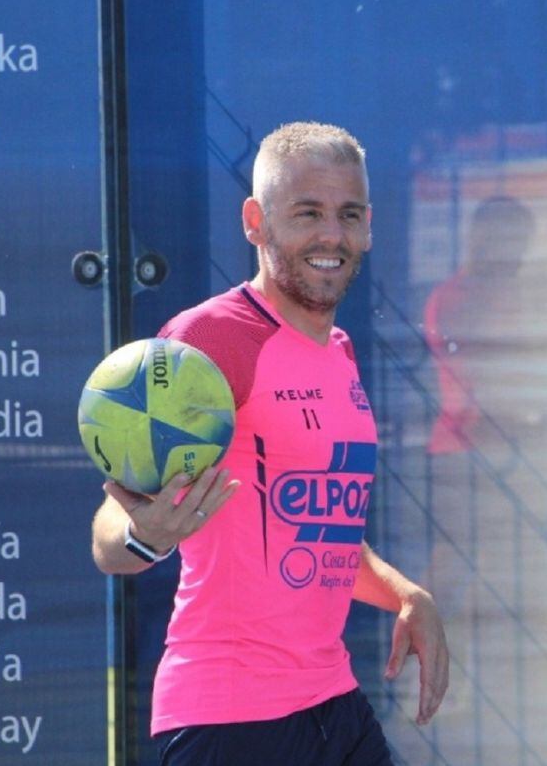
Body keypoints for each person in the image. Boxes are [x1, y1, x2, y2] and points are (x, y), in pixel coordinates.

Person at [91, 121, 449, 765]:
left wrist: (406, 596)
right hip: (230, 721)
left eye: (347, 215)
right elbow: (113, 525)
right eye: (307, 213)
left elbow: (317, 531)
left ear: (369, 225)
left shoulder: (336, 351)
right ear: (255, 221)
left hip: (333, 704)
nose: (331, 236)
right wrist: (145, 533)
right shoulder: (210, 340)